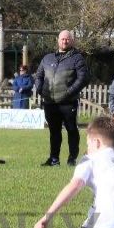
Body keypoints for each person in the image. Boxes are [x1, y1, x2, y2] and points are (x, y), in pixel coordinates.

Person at [35, 30, 90, 167]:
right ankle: (54, 159)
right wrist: (40, 90)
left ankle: (72, 159)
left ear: (71, 41)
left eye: (67, 39)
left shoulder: (77, 58)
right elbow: (39, 76)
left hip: (68, 102)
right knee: (54, 132)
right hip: (50, 102)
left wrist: (69, 92)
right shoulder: (47, 58)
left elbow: (83, 78)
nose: (64, 41)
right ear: (58, 40)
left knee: (72, 130)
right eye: (62, 39)